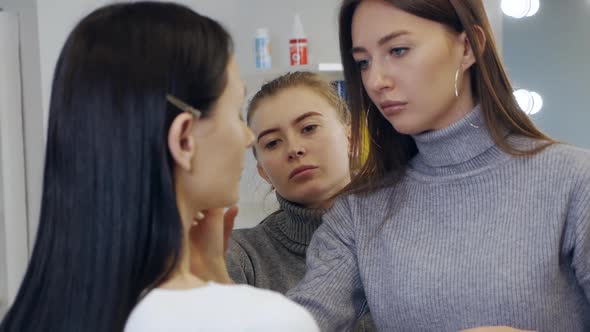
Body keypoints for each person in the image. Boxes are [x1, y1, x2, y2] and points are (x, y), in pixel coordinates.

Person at [0, 2, 319, 332]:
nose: (247, 136)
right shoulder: (267, 320)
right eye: (237, 112)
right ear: (184, 139)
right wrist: (218, 284)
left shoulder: (31, 317)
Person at [286, 0, 590, 331]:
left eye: (398, 50)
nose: (375, 80)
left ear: (469, 47)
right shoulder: (358, 213)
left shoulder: (574, 181)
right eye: (363, 62)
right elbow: (300, 321)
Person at [226, 71, 376, 331]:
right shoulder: (240, 257)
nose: (294, 149)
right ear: (263, 172)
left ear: (351, 139)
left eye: (309, 128)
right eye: (273, 143)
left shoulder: (403, 229)